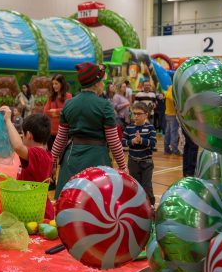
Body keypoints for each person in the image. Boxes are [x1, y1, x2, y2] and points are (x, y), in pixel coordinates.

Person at [51, 62, 126, 198]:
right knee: (95, 204)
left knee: (70, 201)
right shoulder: (105, 106)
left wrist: (51, 161)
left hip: (71, 160)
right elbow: (114, 142)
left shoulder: (69, 104)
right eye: (102, 81)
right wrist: (123, 166)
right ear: (96, 83)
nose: (103, 84)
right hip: (97, 161)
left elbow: (61, 138)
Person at [0, 106, 54, 219]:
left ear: (28, 135)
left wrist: (8, 120)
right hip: (31, 208)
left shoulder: (38, 154)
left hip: (35, 212)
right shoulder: (42, 153)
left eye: (22, 134)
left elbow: (18, 147)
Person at [122, 102, 157, 207]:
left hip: (146, 162)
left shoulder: (150, 128)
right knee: (134, 187)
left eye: (139, 114)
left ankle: (151, 207)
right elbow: (123, 143)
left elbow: (153, 143)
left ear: (146, 115)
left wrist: (141, 140)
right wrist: (132, 141)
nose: (136, 116)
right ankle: (137, 208)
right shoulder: (129, 128)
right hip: (133, 162)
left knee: (147, 186)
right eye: (134, 113)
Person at [44, 74, 72, 151]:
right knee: (50, 155)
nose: (54, 86)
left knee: (62, 156)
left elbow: (68, 110)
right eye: (53, 84)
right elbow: (46, 111)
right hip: (51, 132)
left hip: (63, 132)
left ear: (62, 84)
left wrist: (55, 111)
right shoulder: (51, 97)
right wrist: (60, 112)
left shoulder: (68, 96)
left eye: (56, 83)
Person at [164, 85, 181, 155]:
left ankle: (166, 149)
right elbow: (171, 98)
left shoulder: (169, 88)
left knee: (168, 132)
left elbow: (167, 96)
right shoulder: (173, 88)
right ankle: (175, 150)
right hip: (173, 115)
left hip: (168, 114)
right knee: (173, 132)